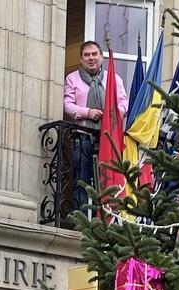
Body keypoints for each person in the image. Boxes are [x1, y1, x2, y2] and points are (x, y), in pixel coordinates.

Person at [63, 41, 128, 212]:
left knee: (106, 181)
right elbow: (67, 105)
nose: (91, 58)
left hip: (107, 138)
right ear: (81, 59)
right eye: (86, 55)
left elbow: (123, 103)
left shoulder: (113, 78)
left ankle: (106, 220)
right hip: (82, 137)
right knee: (81, 180)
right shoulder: (73, 78)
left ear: (101, 57)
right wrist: (87, 112)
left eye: (94, 54)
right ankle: (82, 220)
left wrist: (113, 115)